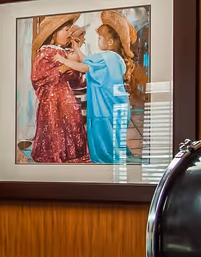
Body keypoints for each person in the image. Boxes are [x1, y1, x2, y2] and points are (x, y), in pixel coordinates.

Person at [28, 12, 89, 164]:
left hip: (65, 94)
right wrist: (60, 70)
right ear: (55, 34)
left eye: (70, 30)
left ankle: (72, 153)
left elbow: (76, 74)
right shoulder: (45, 52)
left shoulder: (63, 52)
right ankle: (57, 153)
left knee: (71, 122)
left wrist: (71, 69)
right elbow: (38, 76)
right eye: (66, 30)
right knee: (55, 125)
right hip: (52, 97)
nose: (69, 33)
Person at [84, 13, 136, 164]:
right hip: (116, 106)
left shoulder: (106, 57)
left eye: (100, 38)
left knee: (105, 137)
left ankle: (107, 158)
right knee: (115, 137)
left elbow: (85, 65)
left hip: (105, 109)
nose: (98, 41)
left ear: (111, 42)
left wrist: (63, 60)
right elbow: (89, 62)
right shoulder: (114, 58)